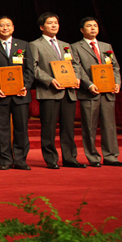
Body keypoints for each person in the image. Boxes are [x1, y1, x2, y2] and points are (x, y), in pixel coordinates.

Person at [28, 12, 84, 169]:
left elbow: (75, 64)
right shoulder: (35, 45)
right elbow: (33, 67)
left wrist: (76, 77)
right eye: (50, 23)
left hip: (68, 91)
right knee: (49, 127)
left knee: (68, 127)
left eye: (56, 23)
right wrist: (50, 80)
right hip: (49, 91)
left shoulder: (66, 45)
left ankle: (70, 158)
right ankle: (51, 159)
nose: (54, 25)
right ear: (41, 27)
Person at [71, 17, 122, 167]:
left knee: (109, 126)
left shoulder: (106, 46)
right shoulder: (75, 47)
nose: (93, 28)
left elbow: (115, 67)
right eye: (89, 26)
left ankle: (111, 156)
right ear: (82, 30)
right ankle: (93, 157)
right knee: (89, 127)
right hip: (89, 92)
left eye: (95, 25)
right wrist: (88, 85)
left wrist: (117, 82)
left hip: (108, 91)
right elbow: (77, 68)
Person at [0, 15, 34, 171]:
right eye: (1, 25)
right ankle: (5, 160)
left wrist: (25, 86)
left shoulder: (24, 45)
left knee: (21, 128)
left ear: (13, 27)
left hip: (21, 94)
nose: (5, 28)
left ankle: (20, 160)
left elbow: (30, 69)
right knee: (2, 129)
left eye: (8, 25)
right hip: (1, 94)